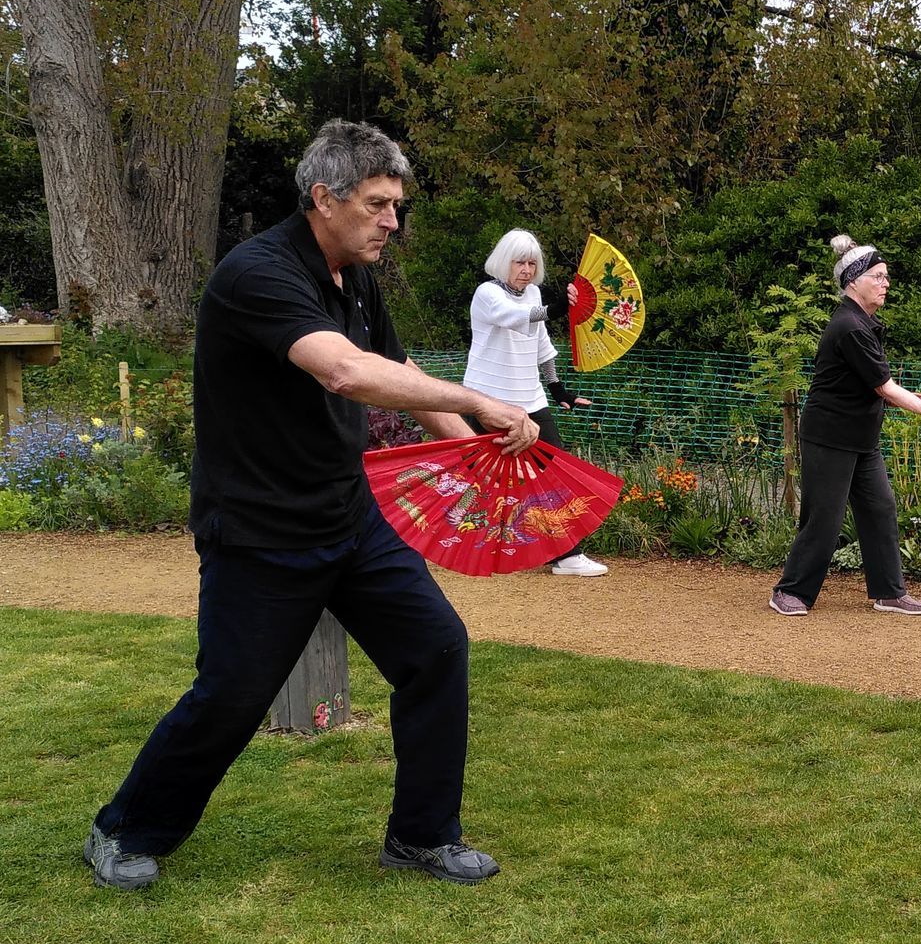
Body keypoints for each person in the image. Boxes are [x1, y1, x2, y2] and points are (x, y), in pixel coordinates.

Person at [84, 120, 540, 891]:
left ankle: (422, 837)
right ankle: (124, 828)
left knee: (436, 650)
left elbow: (398, 371)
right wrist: (482, 401)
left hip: (349, 516)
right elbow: (345, 372)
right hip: (260, 530)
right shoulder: (257, 274)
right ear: (324, 198)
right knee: (233, 695)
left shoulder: (355, 275)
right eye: (377, 204)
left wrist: (472, 455)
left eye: (396, 206)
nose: (392, 221)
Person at [769, 233, 921, 617]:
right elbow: (884, 387)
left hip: (861, 438)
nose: (885, 283)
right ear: (853, 282)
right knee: (824, 519)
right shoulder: (850, 326)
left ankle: (889, 592)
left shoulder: (864, 323)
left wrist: (901, 396)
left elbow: (873, 385)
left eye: (886, 276)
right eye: (878, 276)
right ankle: (790, 591)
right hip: (830, 438)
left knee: (880, 509)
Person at [463, 229, 606, 577]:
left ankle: (566, 555)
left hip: (530, 397)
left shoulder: (533, 294)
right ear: (504, 262)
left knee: (555, 472)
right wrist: (558, 308)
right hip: (487, 399)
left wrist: (558, 390)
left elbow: (541, 344)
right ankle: (462, 545)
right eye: (519, 262)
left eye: (531, 263)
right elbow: (515, 316)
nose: (526, 270)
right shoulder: (487, 294)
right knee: (478, 478)